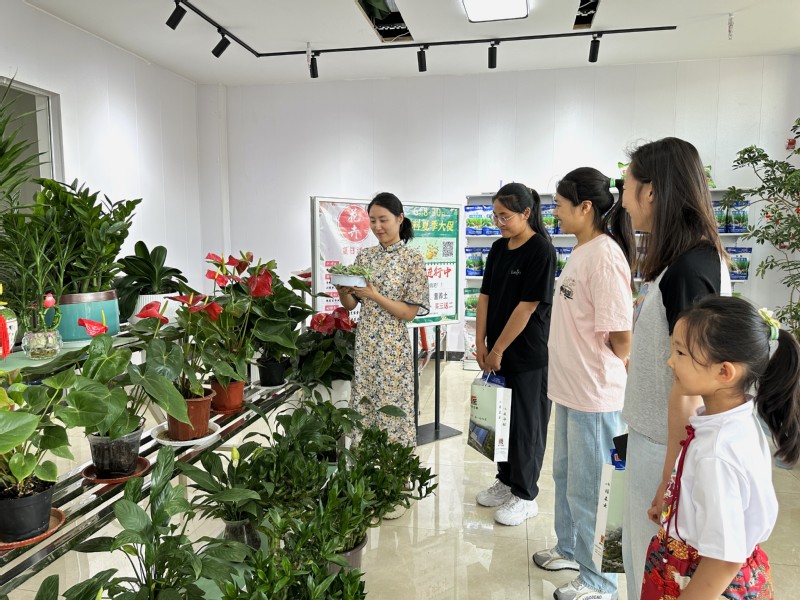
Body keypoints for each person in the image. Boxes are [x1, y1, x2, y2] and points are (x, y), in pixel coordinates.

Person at [620, 137, 731, 597]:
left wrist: (669, 478)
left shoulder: (689, 269)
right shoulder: (686, 261)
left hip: (664, 446)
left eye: (626, 186)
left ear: (650, 191)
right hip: (658, 440)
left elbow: (690, 383)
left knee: (650, 570)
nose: (623, 201)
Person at [640, 295, 797, 598]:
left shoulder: (717, 454)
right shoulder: (733, 424)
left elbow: (724, 560)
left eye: (681, 353)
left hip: (702, 583)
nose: (670, 361)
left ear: (724, 372)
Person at [531, 168, 634, 600]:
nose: (553, 212)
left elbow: (622, 336)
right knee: (567, 476)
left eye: (558, 204)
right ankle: (570, 548)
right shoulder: (581, 250)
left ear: (585, 207)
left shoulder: (606, 255)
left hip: (595, 394)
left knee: (594, 489)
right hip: (570, 388)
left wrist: (604, 366)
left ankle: (600, 581)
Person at [474, 182, 556, 526]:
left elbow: (527, 307)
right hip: (495, 352)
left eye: (504, 216)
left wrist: (498, 349)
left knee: (526, 427)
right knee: (501, 421)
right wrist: (480, 343)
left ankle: (525, 495)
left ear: (526, 212)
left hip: (526, 355)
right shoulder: (498, 248)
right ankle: (506, 482)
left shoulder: (541, 250)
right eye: (495, 216)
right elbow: (485, 297)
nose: (499, 222)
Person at [336, 192, 429, 449]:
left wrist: (374, 295)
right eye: (373, 220)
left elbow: (409, 313)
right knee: (365, 402)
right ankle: (364, 464)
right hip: (366, 343)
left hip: (393, 347)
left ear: (400, 219)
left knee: (393, 405)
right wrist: (343, 292)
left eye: (383, 220)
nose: (377, 226)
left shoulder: (412, 259)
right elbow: (352, 305)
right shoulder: (365, 257)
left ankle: (395, 465)